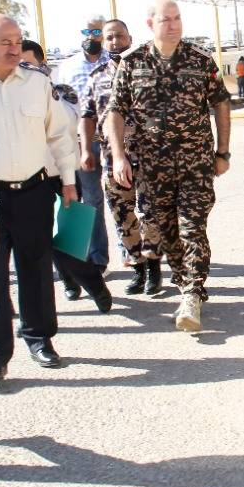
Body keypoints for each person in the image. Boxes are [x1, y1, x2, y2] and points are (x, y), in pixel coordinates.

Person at [0, 15, 82, 382]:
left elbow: (59, 134)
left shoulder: (37, 82)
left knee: (35, 268)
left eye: (18, 41)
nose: (14, 49)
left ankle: (40, 340)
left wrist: (68, 180)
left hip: (33, 191)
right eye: (5, 42)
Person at [106, 0, 231, 332]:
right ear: (151, 24)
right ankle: (186, 286)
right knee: (166, 232)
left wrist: (223, 152)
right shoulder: (132, 63)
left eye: (177, 18)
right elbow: (115, 111)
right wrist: (118, 155)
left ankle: (192, 293)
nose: (173, 25)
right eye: (166, 19)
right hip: (153, 168)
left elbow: (221, 103)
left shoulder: (200, 60)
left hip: (195, 165)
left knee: (192, 227)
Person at [21, 38, 111, 311]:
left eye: (28, 64)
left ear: (42, 65)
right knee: (42, 237)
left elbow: (73, 124)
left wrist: (46, 96)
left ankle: (94, 284)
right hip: (28, 176)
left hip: (62, 173)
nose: (23, 69)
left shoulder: (62, 92)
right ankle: (69, 282)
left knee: (70, 238)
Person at [79, 19, 164, 296]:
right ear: (103, 42)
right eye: (109, 37)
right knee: (122, 213)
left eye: (120, 36)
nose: (115, 41)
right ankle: (138, 269)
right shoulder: (96, 76)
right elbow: (87, 116)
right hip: (112, 158)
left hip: (148, 156)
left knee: (151, 213)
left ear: (130, 38)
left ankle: (155, 268)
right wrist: (85, 150)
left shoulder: (148, 70)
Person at [54, 15, 110, 269]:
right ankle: (96, 258)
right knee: (90, 198)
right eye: (87, 32)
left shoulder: (115, 62)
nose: (91, 37)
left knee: (122, 198)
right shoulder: (67, 66)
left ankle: (132, 252)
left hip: (111, 141)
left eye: (96, 32)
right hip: (82, 141)